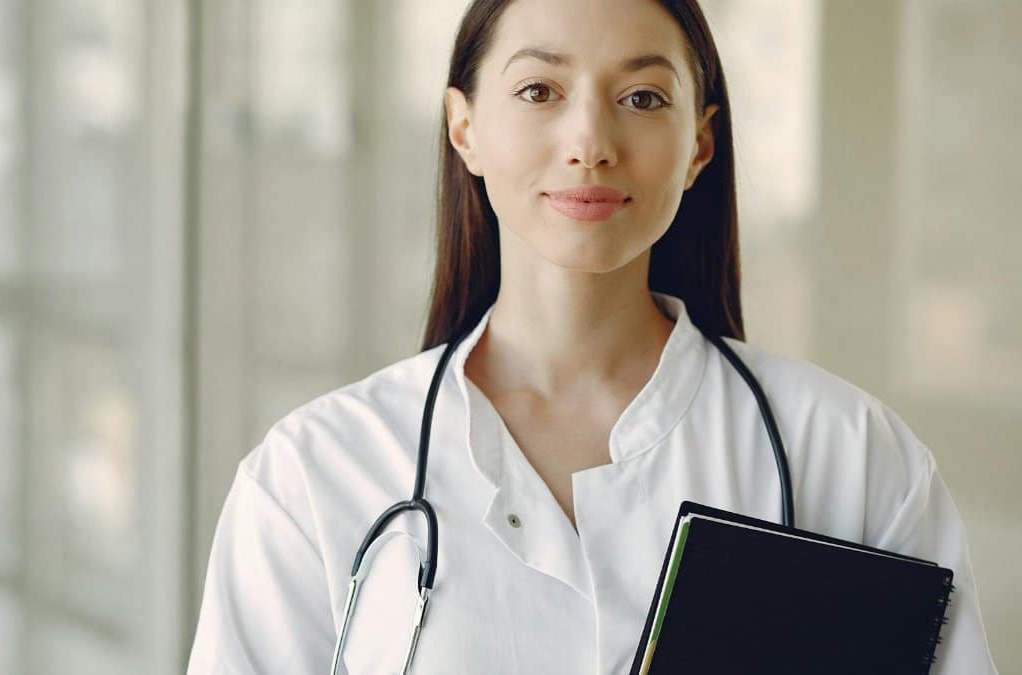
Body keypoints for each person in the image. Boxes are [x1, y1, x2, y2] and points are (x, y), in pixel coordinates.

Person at [186, 0, 999, 672]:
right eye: (539, 90)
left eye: (642, 98)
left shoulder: (851, 457)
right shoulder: (314, 476)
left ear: (699, 145)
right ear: (463, 128)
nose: (590, 144)